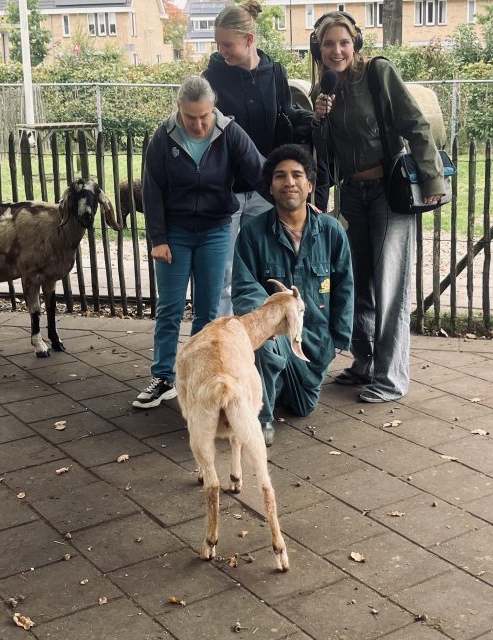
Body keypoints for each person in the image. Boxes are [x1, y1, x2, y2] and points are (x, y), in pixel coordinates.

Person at [309, 11, 445, 403]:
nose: (336, 51)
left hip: (388, 192)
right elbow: (325, 156)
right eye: (329, 45)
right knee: (355, 283)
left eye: (343, 43)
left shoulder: (378, 74)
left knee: (389, 288)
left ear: (356, 45)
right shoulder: (326, 88)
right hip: (351, 195)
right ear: (319, 50)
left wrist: (432, 178)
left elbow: (415, 124)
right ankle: (364, 362)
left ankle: (391, 377)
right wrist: (319, 121)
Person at [133, 75, 265, 409]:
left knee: (209, 311)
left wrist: (294, 196)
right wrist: (158, 239)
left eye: (205, 115)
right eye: (191, 117)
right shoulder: (163, 138)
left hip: (216, 231)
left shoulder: (229, 133)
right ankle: (164, 377)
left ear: (213, 108)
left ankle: (203, 376)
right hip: (175, 235)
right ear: (179, 109)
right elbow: (152, 192)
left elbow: (259, 171)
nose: (199, 123)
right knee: (170, 308)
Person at [203, 0, 321, 318]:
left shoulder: (275, 72)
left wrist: (315, 120)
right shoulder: (211, 77)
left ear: (249, 40)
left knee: (267, 269)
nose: (221, 51)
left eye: (228, 45)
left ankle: (263, 346)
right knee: (221, 274)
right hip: (225, 191)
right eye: (219, 44)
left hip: (263, 191)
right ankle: (218, 349)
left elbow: (286, 117)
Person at [232, 144, 353, 446]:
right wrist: (267, 320)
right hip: (275, 336)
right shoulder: (252, 233)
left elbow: (345, 286)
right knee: (265, 347)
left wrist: (339, 339)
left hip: (314, 345)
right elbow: (245, 287)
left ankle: (276, 381)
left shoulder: (331, 232)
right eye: (280, 176)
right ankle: (260, 421)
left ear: (310, 185)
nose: (289, 182)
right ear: (270, 187)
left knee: (303, 408)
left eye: (297, 175)